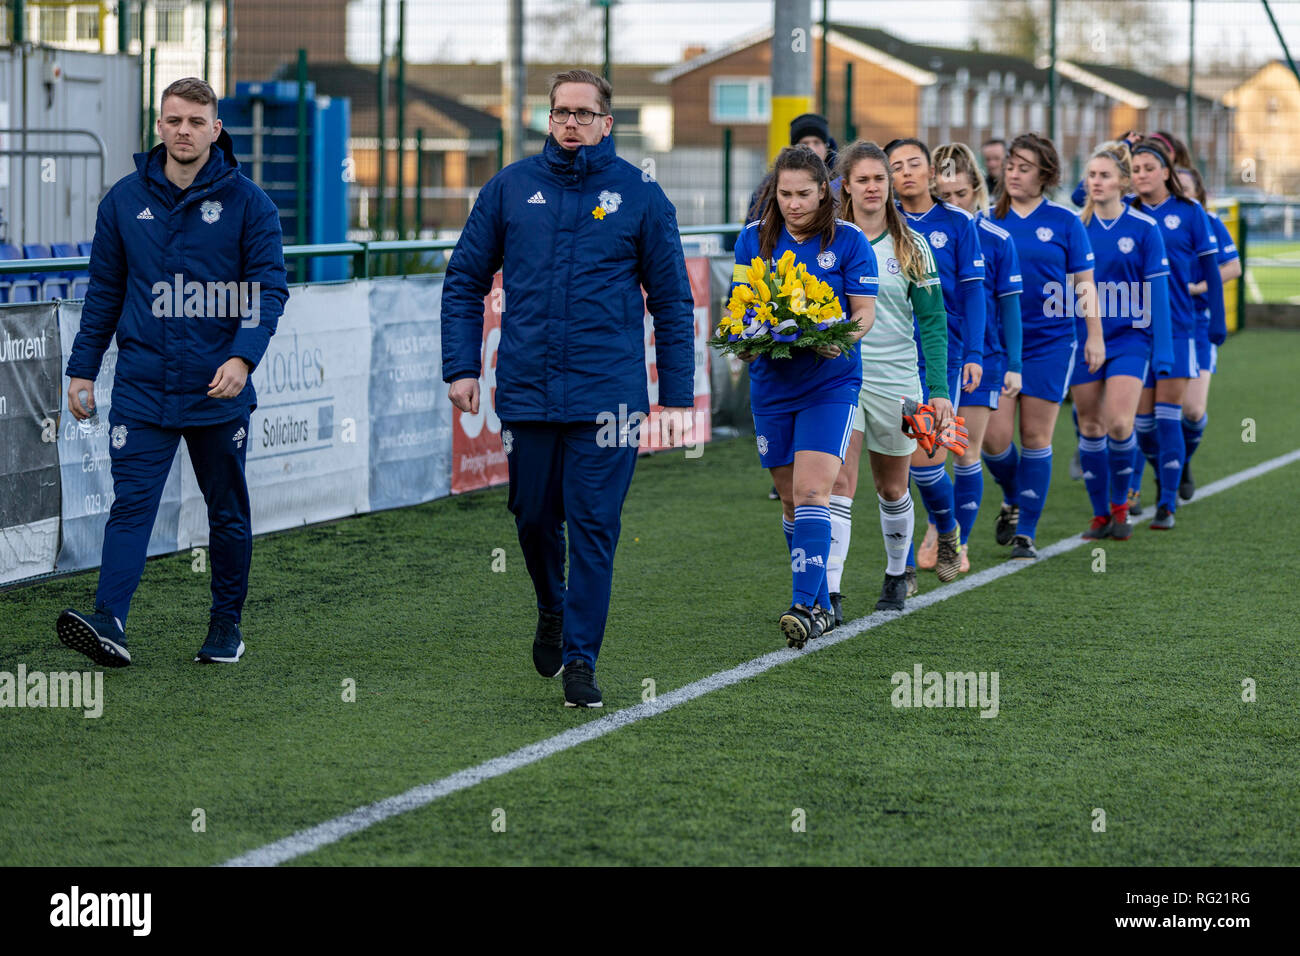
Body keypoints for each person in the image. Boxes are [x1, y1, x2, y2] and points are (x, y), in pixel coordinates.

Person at [441, 69, 695, 708]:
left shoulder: (641, 195)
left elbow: (671, 300)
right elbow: (464, 280)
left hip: (608, 397)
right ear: (548, 120)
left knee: (594, 526)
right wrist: (462, 368)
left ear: (608, 123)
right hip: (526, 390)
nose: (572, 123)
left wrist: (679, 391)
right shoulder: (509, 188)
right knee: (531, 518)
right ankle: (551, 606)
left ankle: (581, 660)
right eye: (561, 113)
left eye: (585, 113)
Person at [57, 77, 289, 667]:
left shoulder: (250, 203)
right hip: (142, 388)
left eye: (195, 121)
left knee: (227, 511)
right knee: (130, 505)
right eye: (173, 120)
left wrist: (242, 357)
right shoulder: (122, 201)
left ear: (216, 128)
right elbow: (105, 292)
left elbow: (267, 294)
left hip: (218, 390)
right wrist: (82, 370)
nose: (183, 131)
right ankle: (109, 620)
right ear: (158, 126)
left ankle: (225, 626)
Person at [732, 146, 877, 647]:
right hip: (772, 385)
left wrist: (840, 340)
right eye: (785, 194)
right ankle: (820, 601)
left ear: (825, 192)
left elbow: (863, 314)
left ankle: (803, 604)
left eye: (804, 195)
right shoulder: (753, 239)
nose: (794, 204)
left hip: (830, 383)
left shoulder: (851, 241)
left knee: (817, 492)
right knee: (793, 501)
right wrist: (743, 341)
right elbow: (742, 305)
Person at [824, 140, 951, 616]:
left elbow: (934, 324)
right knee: (839, 482)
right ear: (846, 187)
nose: (873, 187)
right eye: (863, 179)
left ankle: (898, 572)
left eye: (880, 178)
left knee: (893, 488)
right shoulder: (828, 243)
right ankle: (830, 593)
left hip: (897, 380)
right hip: (839, 376)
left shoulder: (912, 246)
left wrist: (938, 391)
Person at [985, 132, 1103, 559]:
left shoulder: (1066, 221)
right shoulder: (985, 219)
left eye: (1025, 167)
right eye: (1010, 165)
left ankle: (1026, 533)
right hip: (996, 346)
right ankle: (1014, 494)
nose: (1013, 174)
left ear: (1045, 175)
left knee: (1036, 436)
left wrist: (1094, 334)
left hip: (1052, 343)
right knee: (993, 440)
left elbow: (1084, 285)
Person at [885, 138, 985, 585]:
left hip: (939, 353)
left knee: (926, 460)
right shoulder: (876, 224)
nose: (905, 172)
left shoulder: (958, 223)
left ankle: (947, 531)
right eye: (895, 166)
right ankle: (901, 563)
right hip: (887, 354)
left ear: (931, 172)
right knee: (892, 464)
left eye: (914, 164)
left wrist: (975, 353)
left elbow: (973, 292)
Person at [1069, 141, 1173, 540]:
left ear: (1124, 183)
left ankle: (1120, 505)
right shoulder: (1075, 227)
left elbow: (1158, 292)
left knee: (1118, 422)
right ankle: (1100, 515)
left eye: (1105, 175)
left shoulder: (1144, 228)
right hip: (1083, 339)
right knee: (1090, 427)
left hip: (1131, 337)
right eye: (1092, 175)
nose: (1096, 182)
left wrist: (1162, 350)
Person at [1124, 138, 1225, 529]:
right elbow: (1085, 192)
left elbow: (1211, 269)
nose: (1141, 175)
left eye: (1149, 167)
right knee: (1143, 424)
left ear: (1166, 171)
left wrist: (1216, 320)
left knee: (1170, 417)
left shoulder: (1189, 212)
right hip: (1133, 329)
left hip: (1180, 328)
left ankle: (1166, 503)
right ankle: (1170, 468)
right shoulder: (1124, 212)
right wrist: (1121, 149)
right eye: (1134, 168)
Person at [932, 142, 1024, 571]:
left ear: (977, 190)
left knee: (968, 450)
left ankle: (958, 543)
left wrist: (1014, 365)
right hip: (930, 358)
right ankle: (942, 525)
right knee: (931, 453)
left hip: (981, 357)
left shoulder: (996, 239)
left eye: (960, 195)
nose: (953, 204)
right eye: (944, 195)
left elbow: (1007, 308)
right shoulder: (914, 236)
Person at [1175, 164, 1241, 501]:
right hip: (1155, 325)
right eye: (1176, 188)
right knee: (1150, 414)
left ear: (1199, 193)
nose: (1182, 194)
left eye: (1187, 188)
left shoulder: (1210, 223)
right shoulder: (1153, 224)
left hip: (1197, 323)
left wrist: (1200, 286)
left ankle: (1183, 462)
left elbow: (1233, 266)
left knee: (1193, 410)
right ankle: (1144, 486)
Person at [748, 112, 841, 223]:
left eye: (817, 143)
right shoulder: (770, 185)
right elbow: (755, 225)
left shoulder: (841, 180)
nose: (812, 149)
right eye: (805, 143)